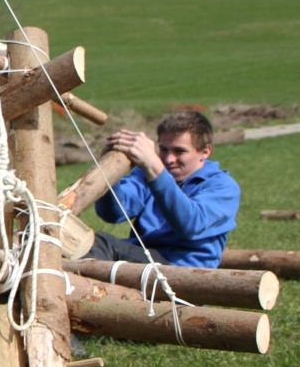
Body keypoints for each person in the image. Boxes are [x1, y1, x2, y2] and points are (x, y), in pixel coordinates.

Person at [89, 109, 240, 269]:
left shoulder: (223, 187)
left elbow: (190, 225)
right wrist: (108, 172)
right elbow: (113, 213)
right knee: (82, 242)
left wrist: (155, 169)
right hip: (144, 256)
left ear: (205, 151)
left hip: (184, 269)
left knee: (104, 244)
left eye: (179, 151)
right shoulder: (147, 174)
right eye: (164, 150)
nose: (169, 159)